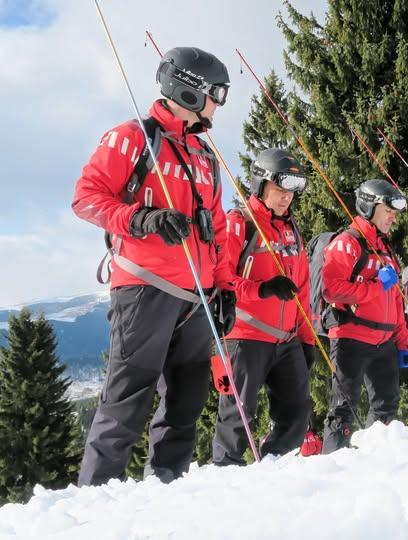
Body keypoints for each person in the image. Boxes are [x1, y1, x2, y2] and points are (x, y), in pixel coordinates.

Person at [72, 47, 235, 485]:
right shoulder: (132, 138)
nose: (220, 103)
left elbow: (217, 229)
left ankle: (166, 492)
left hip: (196, 299)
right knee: (127, 402)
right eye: (217, 92)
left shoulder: (205, 157)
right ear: (190, 89)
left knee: (186, 402)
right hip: (146, 289)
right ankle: (92, 504)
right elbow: (86, 197)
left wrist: (224, 287)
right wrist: (140, 219)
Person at [212, 148, 315, 465]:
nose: (287, 198)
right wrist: (263, 290)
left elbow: (304, 289)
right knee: (237, 417)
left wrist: (307, 339)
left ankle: (271, 467)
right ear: (261, 185)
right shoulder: (239, 224)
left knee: (297, 414)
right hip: (244, 337)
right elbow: (220, 279)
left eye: (292, 192)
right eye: (281, 189)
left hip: (286, 340)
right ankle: (225, 472)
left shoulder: (291, 231)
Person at [320, 179, 408, 453]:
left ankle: (374, 459)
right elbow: (331, 289)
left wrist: (403, 342)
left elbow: (396, 299)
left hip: (384, 341)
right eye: (388, 210)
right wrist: (374, 286)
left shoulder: (385, 249)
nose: (393, 217)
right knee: (343, 408)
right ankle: (330, 465)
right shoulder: (347, 243)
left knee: (387, 406)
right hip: (351, 337)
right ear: (369, 207)